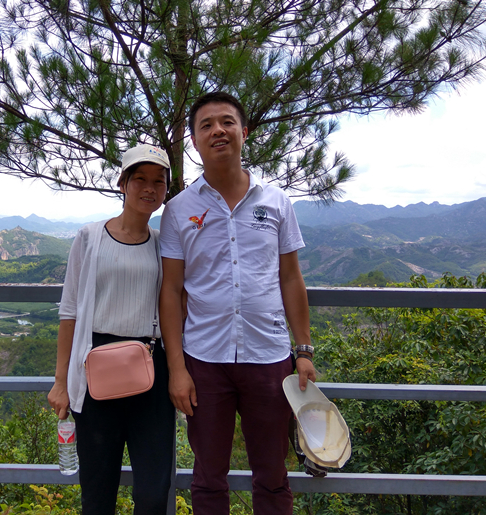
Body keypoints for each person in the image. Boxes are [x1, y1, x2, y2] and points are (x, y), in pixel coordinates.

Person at [159, 92, 316, 515]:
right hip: (204, 361)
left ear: (244, 133)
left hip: (268, 357)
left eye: (227, 122)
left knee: (273, 474)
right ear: (194, 141)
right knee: (208, 477)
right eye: (206, 125)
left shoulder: (276, 202)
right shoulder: (178, 210)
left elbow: (290, 278)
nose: (218, 131)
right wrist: (177, 369)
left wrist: (303, 350)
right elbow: (171, 291)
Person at [47, 144, 175, 515]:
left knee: (153, 494)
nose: (149, 188)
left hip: (151, 367)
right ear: (122, 183)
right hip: (96, 368)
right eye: (140, 179)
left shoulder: (164, 245)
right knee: (98, 492)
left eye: (159, 181)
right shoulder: (90, 237)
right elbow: (70, 311)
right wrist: (60, 382)